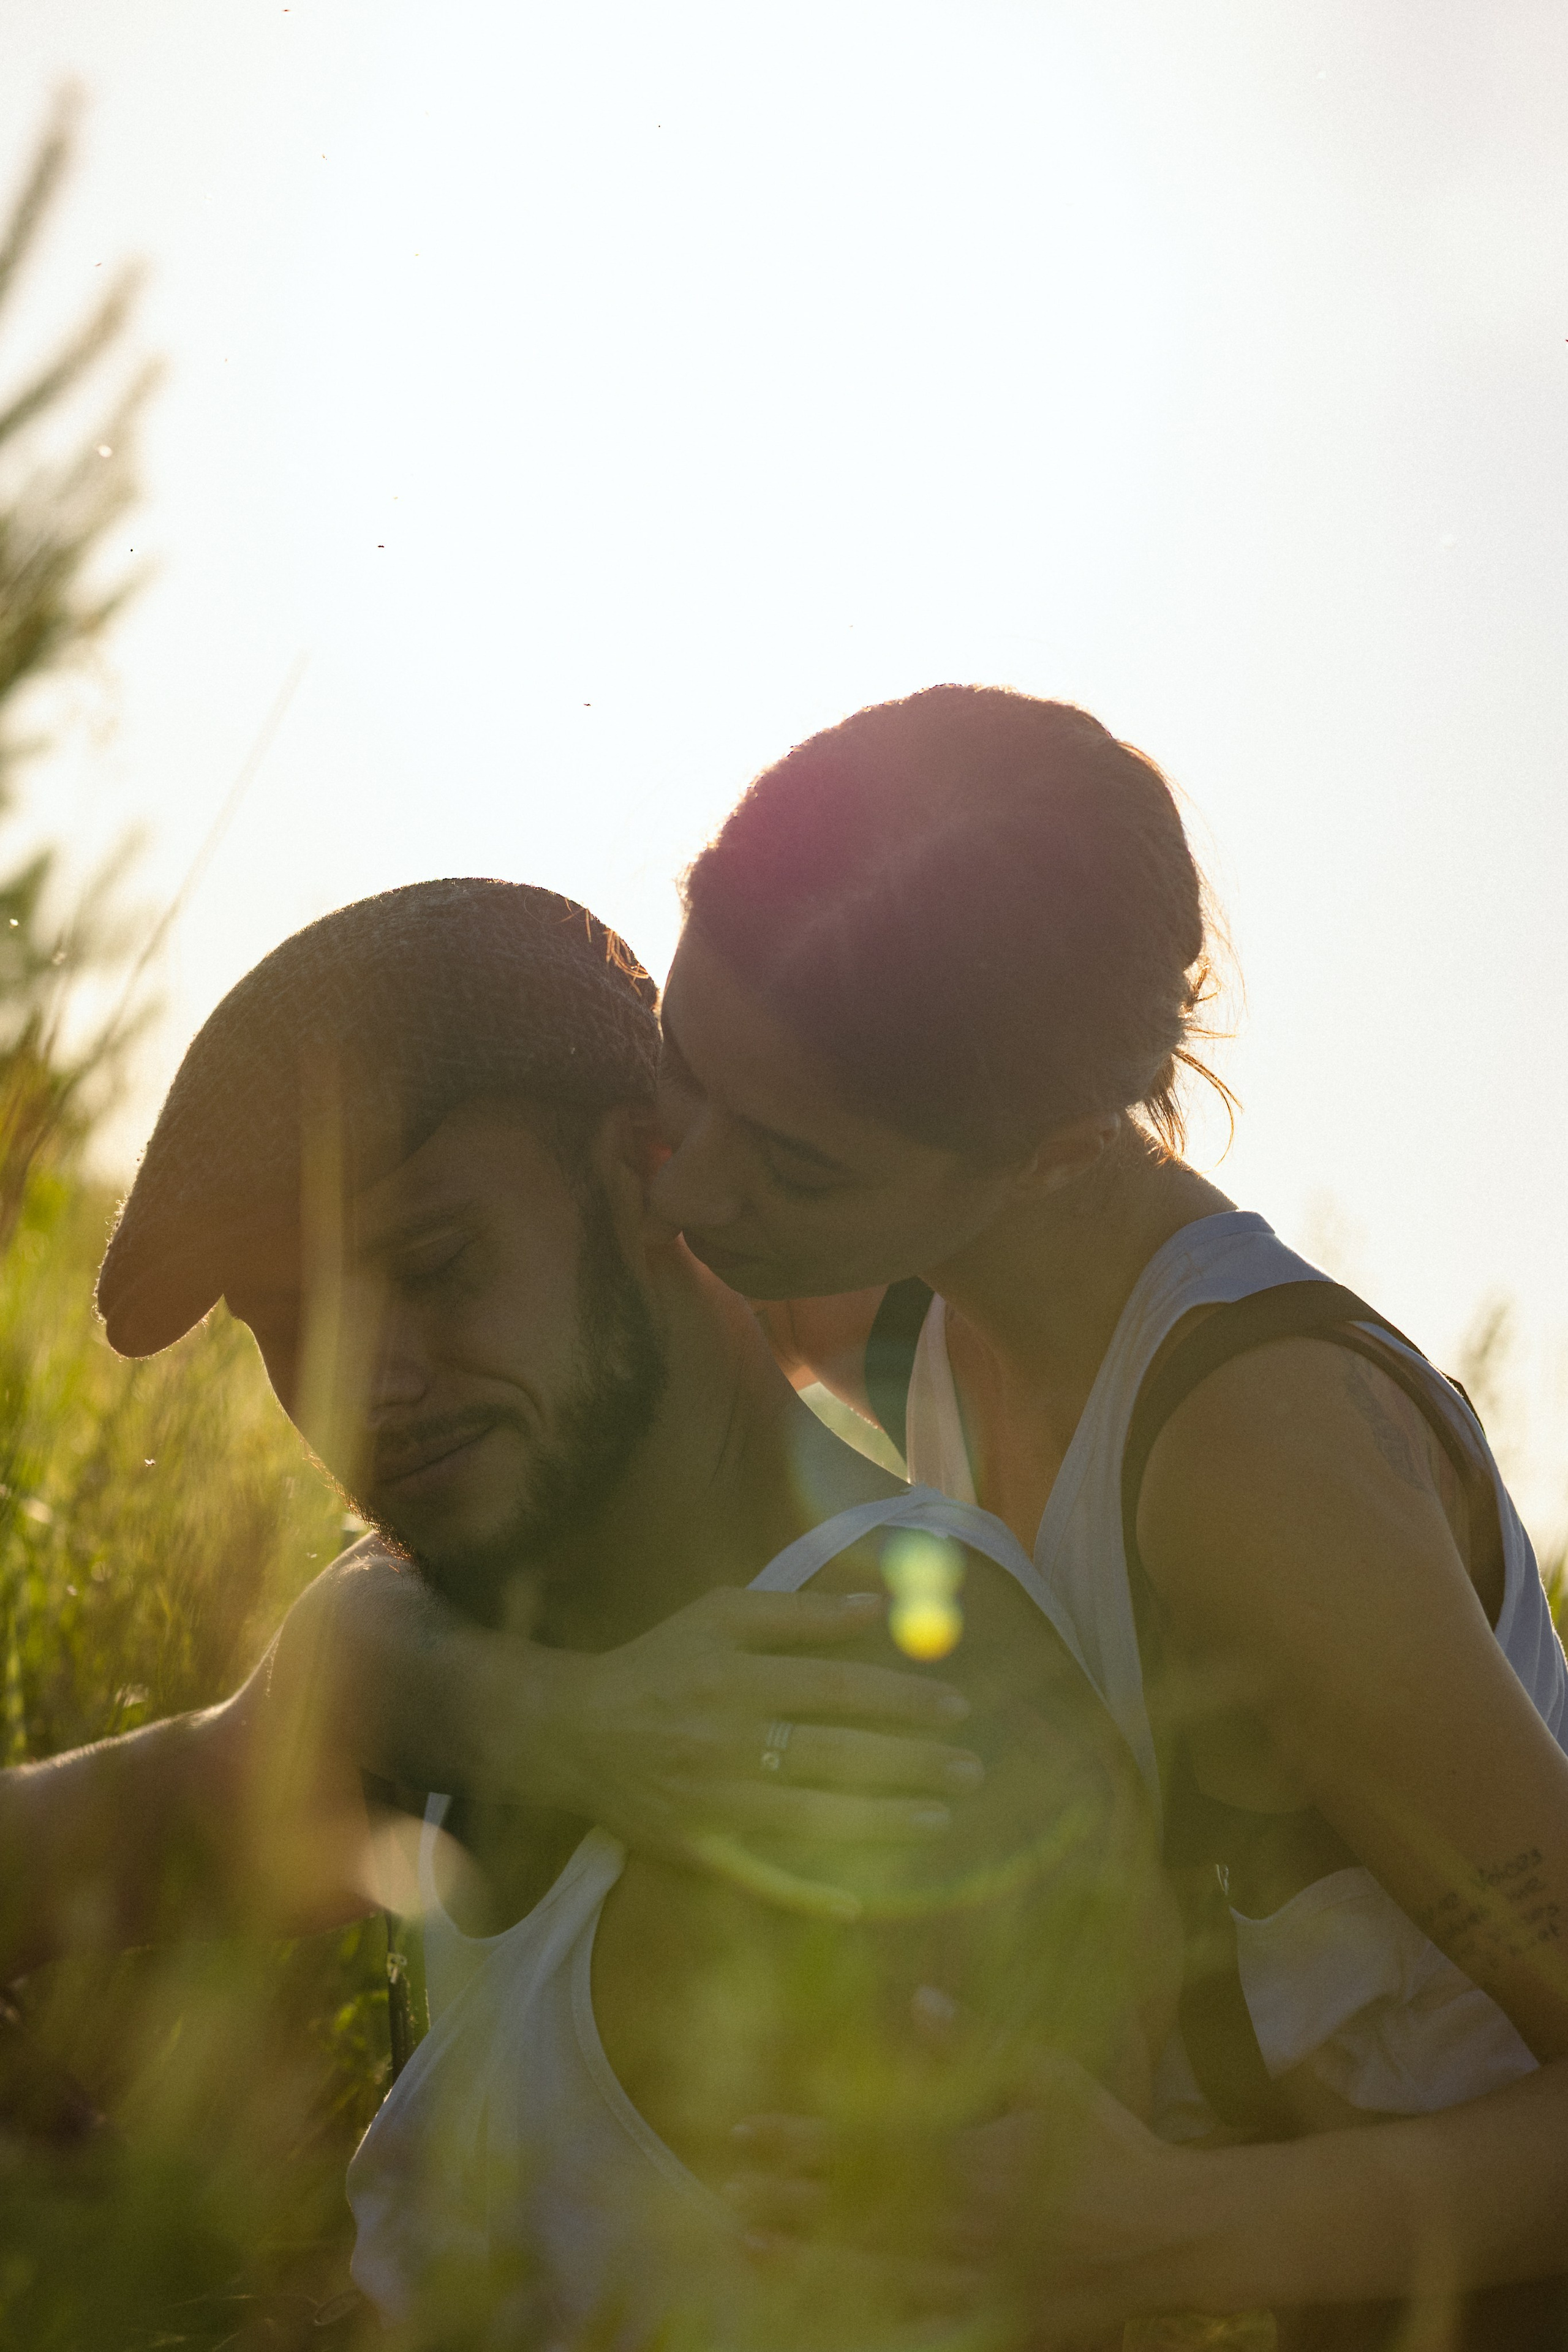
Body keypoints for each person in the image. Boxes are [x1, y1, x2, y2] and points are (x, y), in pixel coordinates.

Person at [72, 878, 1178, 2346]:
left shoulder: (912, 1697)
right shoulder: (477, 1629)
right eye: (293, 1329)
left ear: (649, 1168)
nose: (366, 1385)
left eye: (433, 1267)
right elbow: (72, 1842)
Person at [630, 685, 1568, 2346]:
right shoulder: (901, 1289)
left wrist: (1173, 2236)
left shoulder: (1251, 1469)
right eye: (677, 1072)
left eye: (790, 1160)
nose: (693, 1190)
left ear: (1063, 1153)